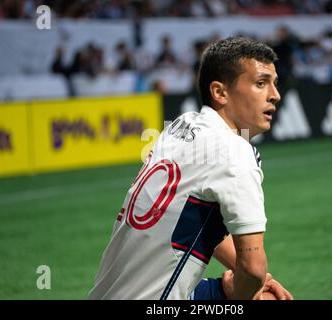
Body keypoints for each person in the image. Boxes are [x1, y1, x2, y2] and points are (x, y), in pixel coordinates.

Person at [88, 36, 293, 300]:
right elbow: (252, 269)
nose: (275, 95)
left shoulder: (180, 127)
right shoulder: (235, 152)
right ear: (220, 92)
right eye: (261, 83)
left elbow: (193, 223)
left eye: (274, 84)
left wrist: (257, 280)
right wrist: (251, 288)